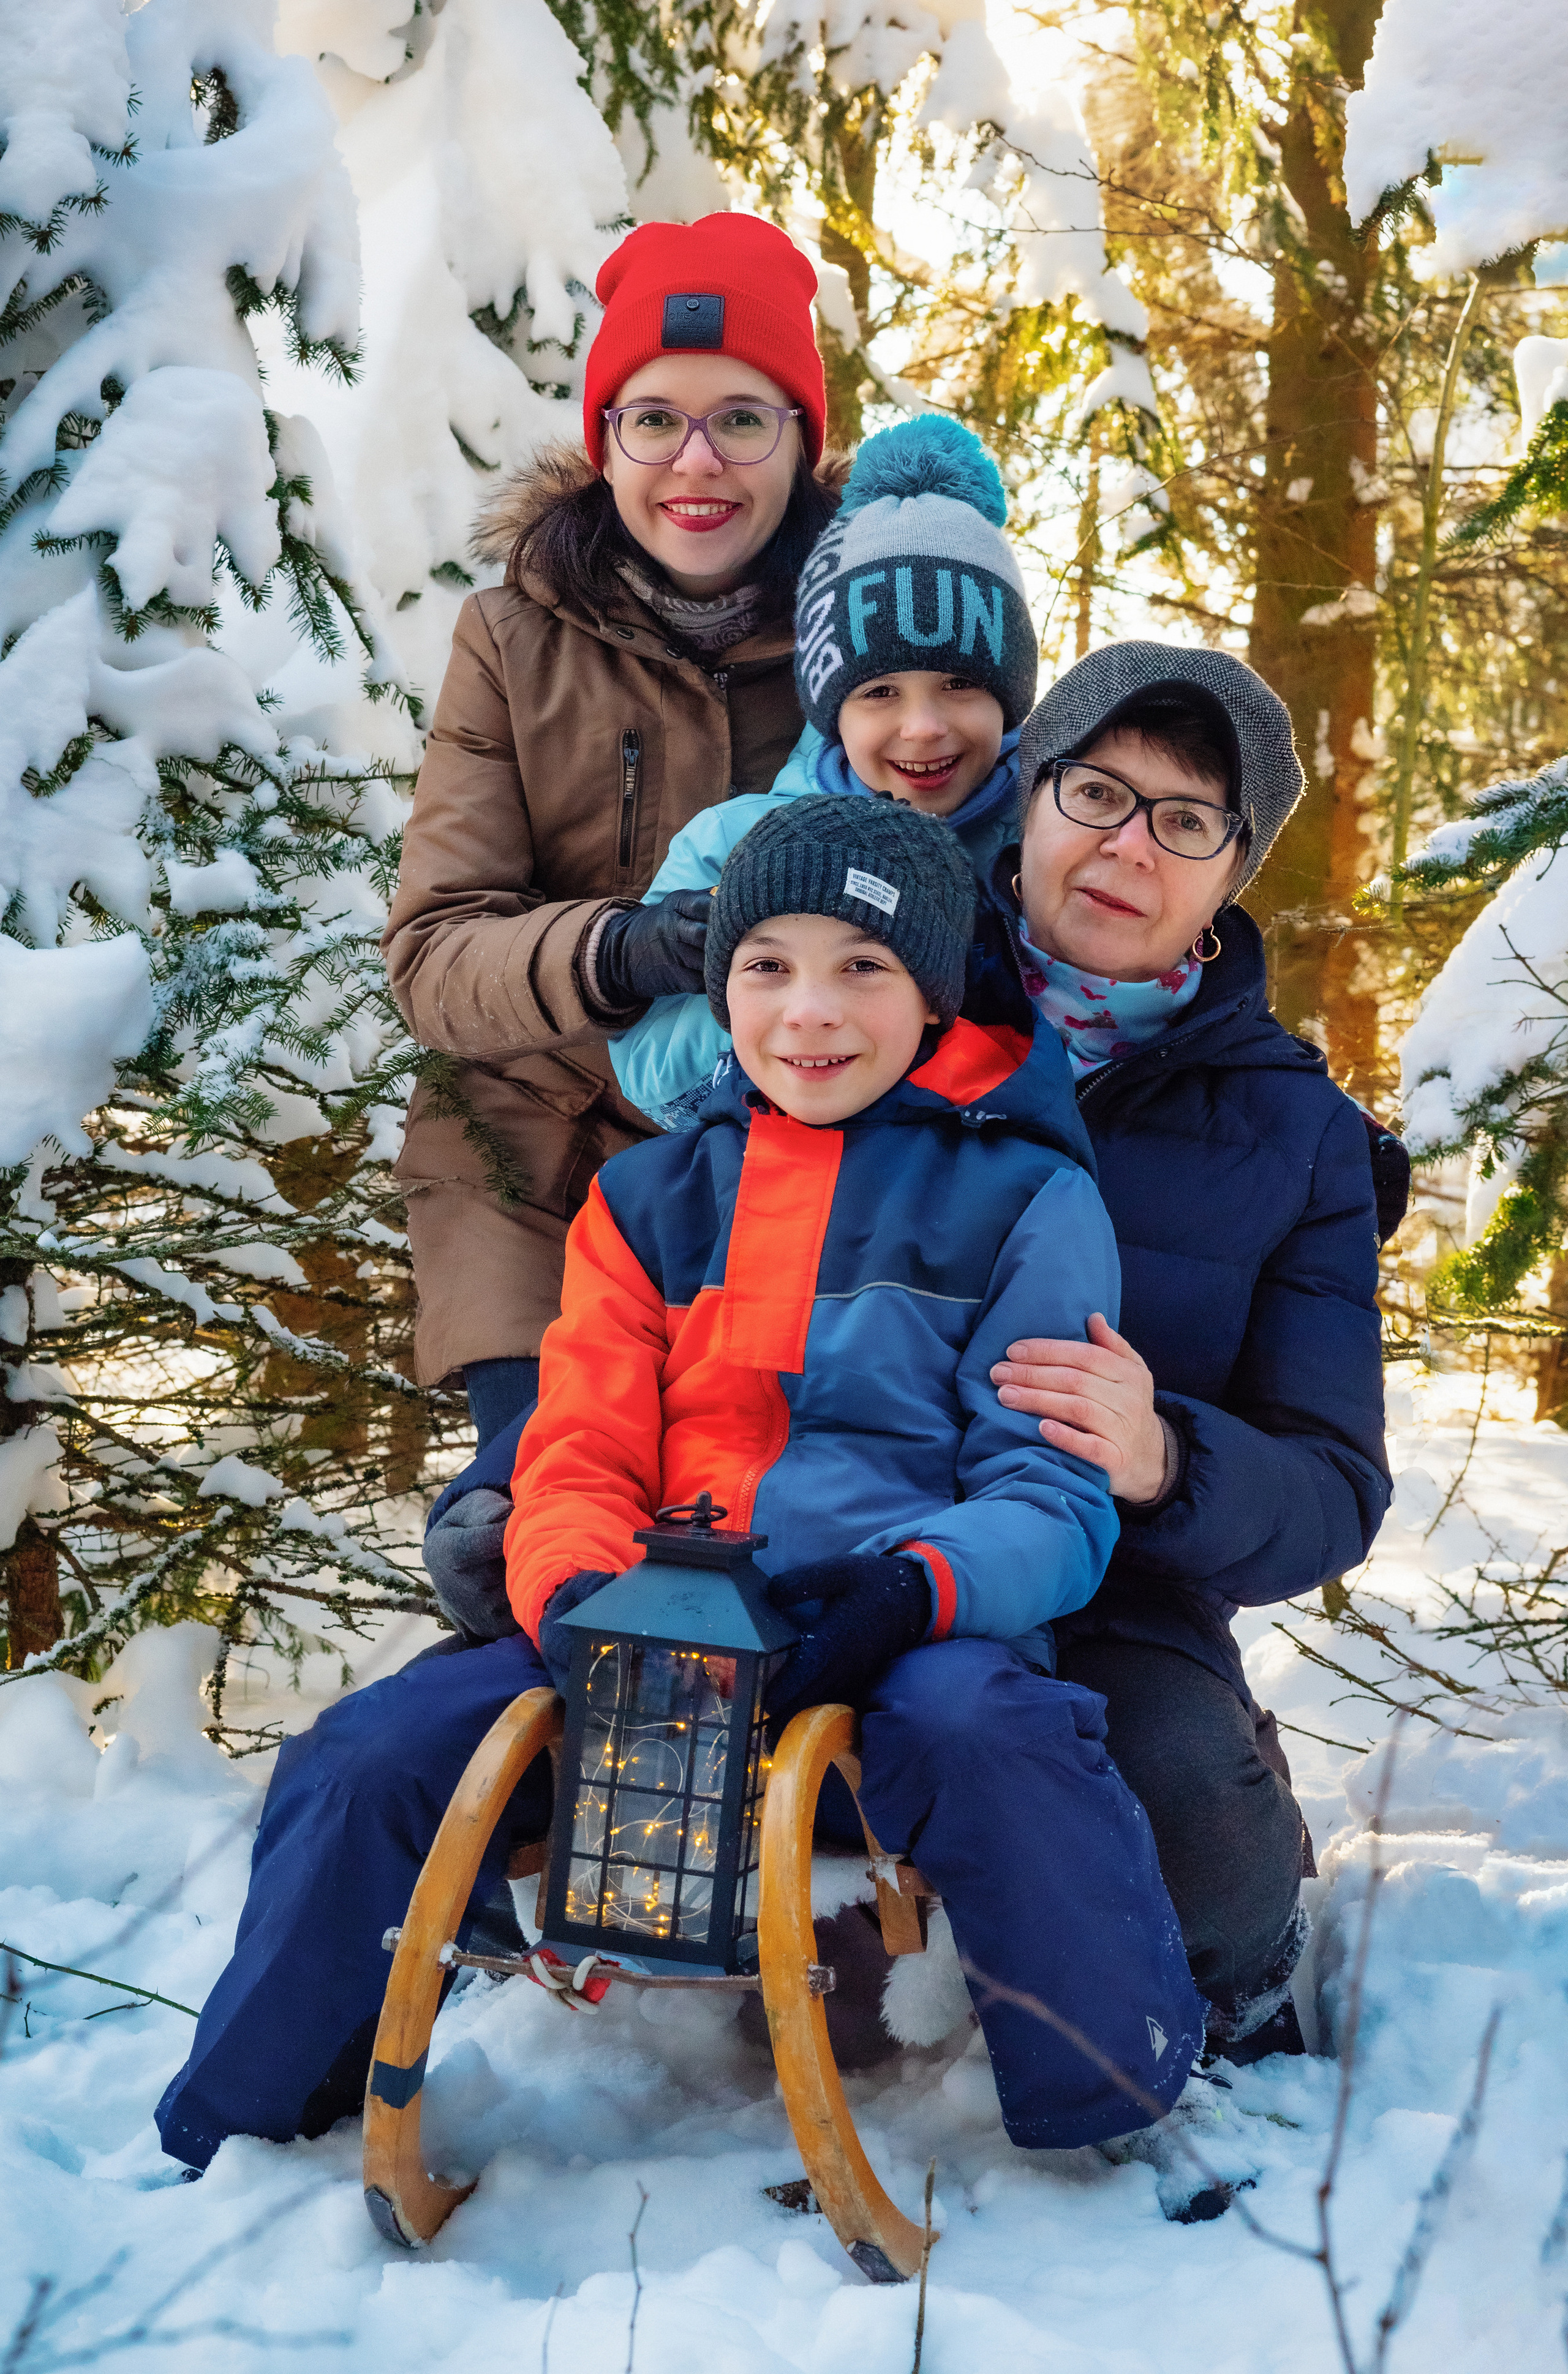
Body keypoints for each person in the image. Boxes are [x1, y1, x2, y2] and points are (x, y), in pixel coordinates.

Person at [155, 796, 1203, 2172]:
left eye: (862, 968)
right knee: (368, 1756)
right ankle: (251, 2126)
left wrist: (908, 1590)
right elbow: (577, 1447)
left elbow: (1049, 1497)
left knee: (998, 1740)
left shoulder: (1022, 1198)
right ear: (721, 992)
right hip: (650, 1655)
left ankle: (1108, 2108)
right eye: (766, 967)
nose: (808, 1014)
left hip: (893, 1643)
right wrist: (584, 1603)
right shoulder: (648, 1200)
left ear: (932, 992)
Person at [978, 643, 1399, 2059]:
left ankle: (1246, 1866)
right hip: (838, 1532)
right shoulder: (869, 995)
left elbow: (1331, 1486)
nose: (1125, 845)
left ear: (1228, 874)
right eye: (1096, 790)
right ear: (1027, 797)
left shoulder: (1300, 1137)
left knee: (1199, 1854)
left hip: (1113, 1596)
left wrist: (1166, 1458)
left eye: (1183, 819)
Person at [380, 211, 842, 1450]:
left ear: (803, 440)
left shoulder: (873, 634)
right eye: (654, 420)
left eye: (742, 418)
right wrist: (615, 953)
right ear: (604, 442)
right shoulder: (510, 639)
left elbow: (1017, 878)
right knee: (531, 1538)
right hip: (537, 1172)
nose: (696, 462)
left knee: (756, 1554)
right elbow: (434, 959)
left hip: (795, 1171)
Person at [604, 411, 1037, 1130]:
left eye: (960, 685)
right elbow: (648, 1074)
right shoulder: (735, 841)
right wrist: (753, 971)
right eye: (879, 693)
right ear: (831, 708)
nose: (923, 726)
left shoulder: (1049, 839)